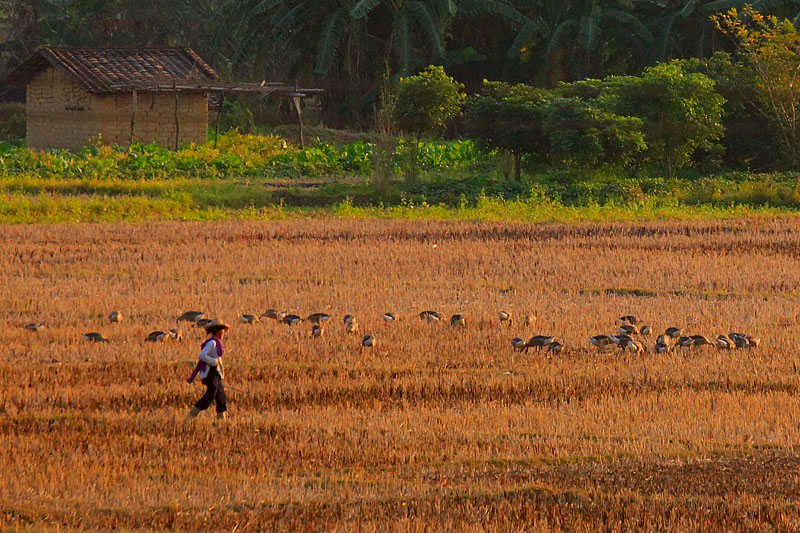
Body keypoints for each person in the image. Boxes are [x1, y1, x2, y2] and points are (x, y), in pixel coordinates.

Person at [186, 319, 229, 420]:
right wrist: (213, 362)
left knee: (221, 397)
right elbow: (201, 355)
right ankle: (189, 418)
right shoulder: (212, 343)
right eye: (221, 333)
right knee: (209, 397)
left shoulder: (217, 343)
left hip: (216, 373)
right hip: (211, 373)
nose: (222, 335)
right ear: (217, 332)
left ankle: (222, 422)